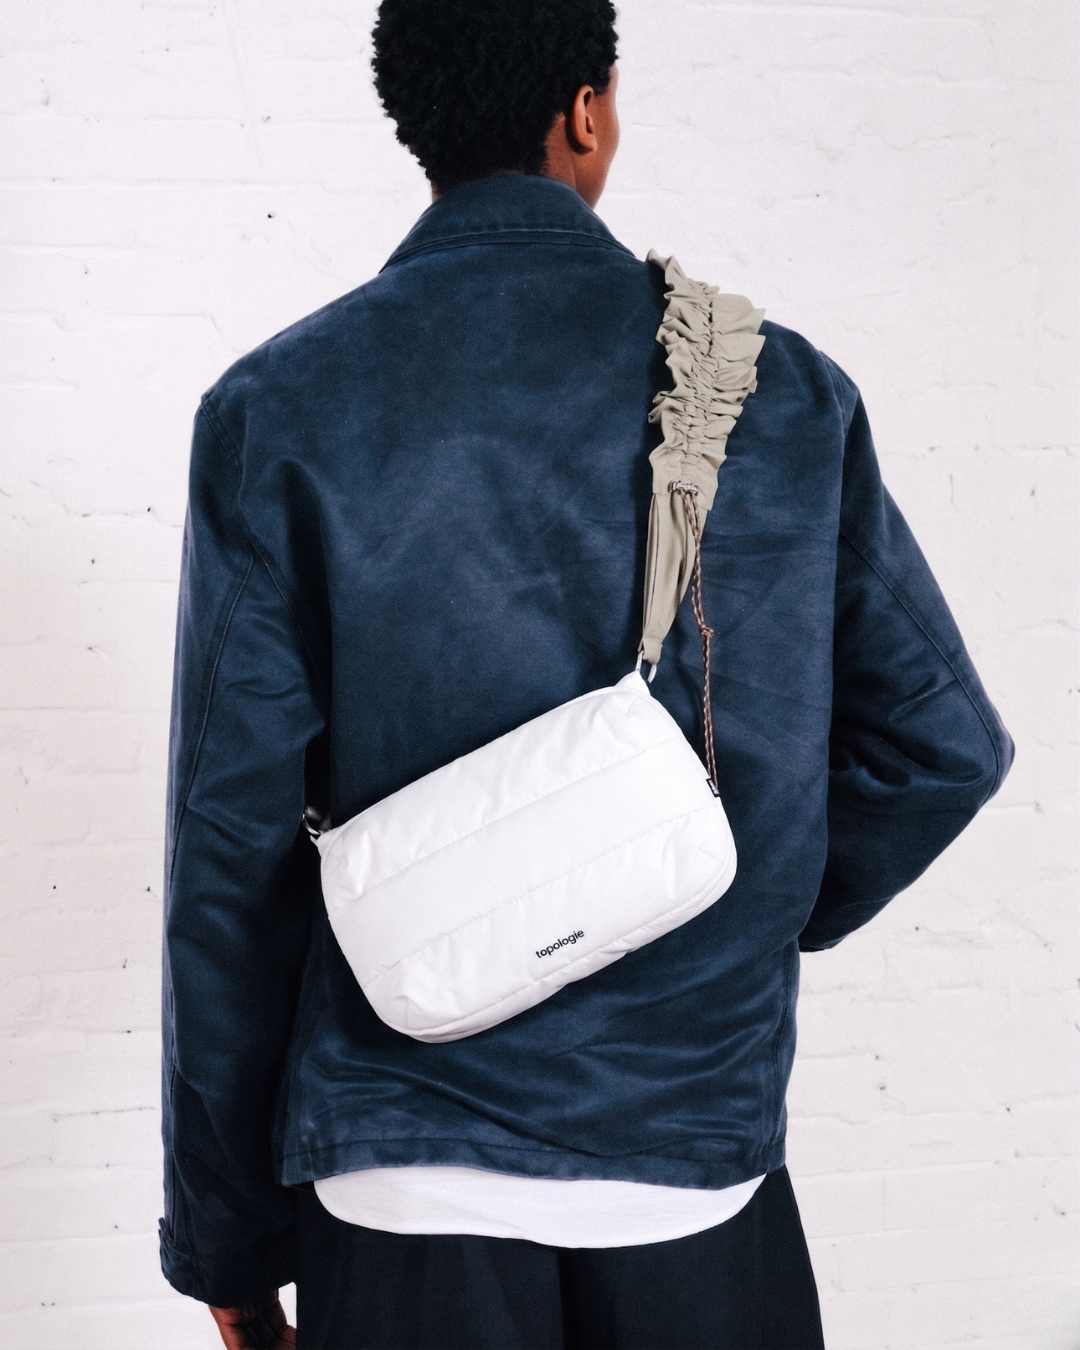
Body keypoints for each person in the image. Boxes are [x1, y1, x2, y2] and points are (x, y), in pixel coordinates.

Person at [159, 2, 1013, 1346]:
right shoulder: (780, 392)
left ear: (416, 122)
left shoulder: (279, 409)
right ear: (586, 112)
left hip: (401, 1187)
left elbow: (230, 860)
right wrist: (718, 909)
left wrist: (224, 1238)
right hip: (695, 1178)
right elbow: (940, 747)